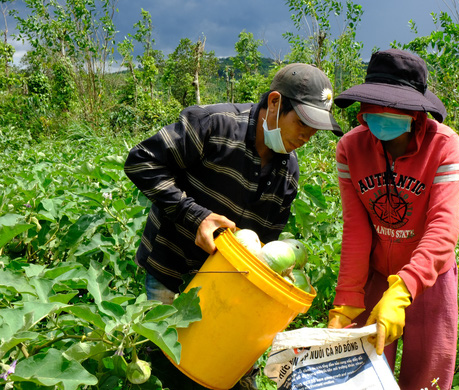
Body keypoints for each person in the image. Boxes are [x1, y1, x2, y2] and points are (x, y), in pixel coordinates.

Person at [124, 63, 341, 390]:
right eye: (303, 123)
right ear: (274, 103)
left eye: (315, 130)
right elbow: (142, 161)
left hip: (224, 290)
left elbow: (263, 247)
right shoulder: (213, 124)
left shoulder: (288, 173)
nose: (307, 136)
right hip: (172, 269)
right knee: (164, 365)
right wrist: (194, 214)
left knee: (221, 372)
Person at [327, 48, 459, 390]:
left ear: (415, 113)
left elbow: (443, 227)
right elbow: (356, 229)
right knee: (366, 374)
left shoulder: (443, 146)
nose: (381, 116)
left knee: (427, 376)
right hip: (373, 274)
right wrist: (346, 301)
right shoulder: (350, 148)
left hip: (431, 279)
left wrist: (403, 290)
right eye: (374, 108)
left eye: (394, 108)